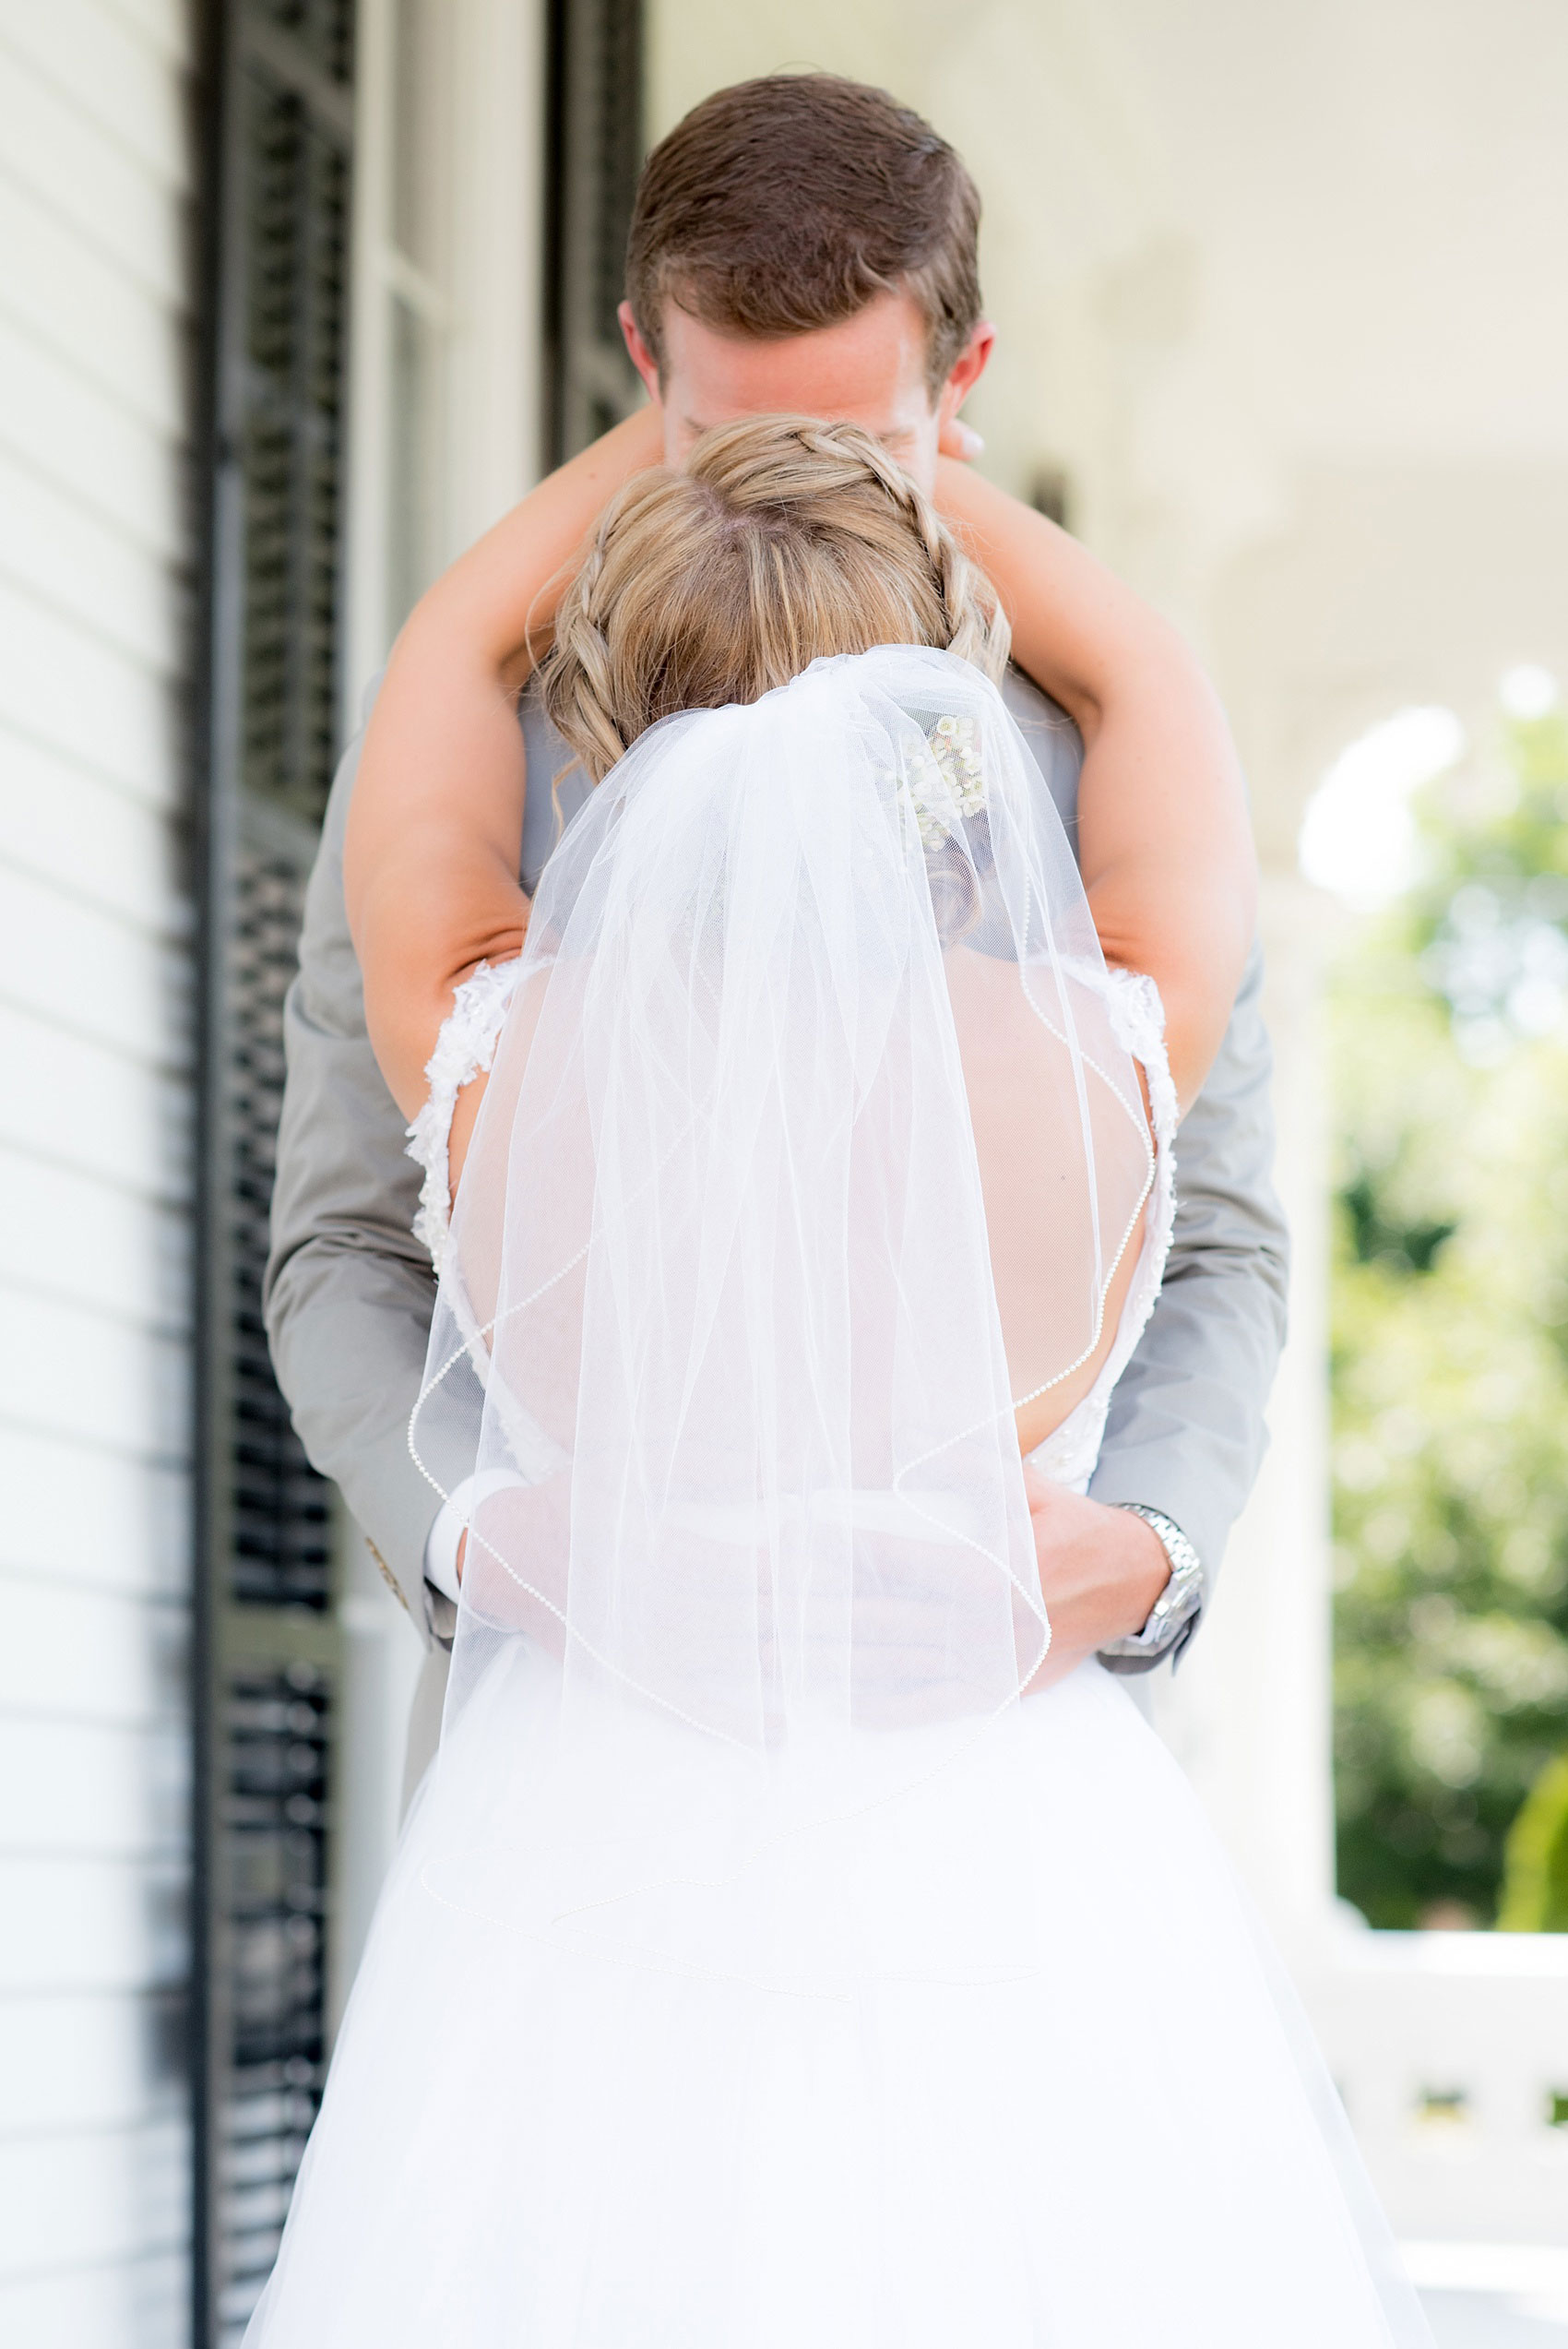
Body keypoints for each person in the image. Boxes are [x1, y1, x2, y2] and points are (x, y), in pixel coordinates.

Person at [244, 411, 1432, 2344]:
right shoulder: (1112, 1046)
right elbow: (1145, 676)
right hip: (1002, 1840)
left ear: (603, 723)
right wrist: (913, 469)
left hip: (593, 1840)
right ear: (939, 703)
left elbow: (438, 669)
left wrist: (671, 435)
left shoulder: (478, 1043)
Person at [264, 75, 1289, 1798]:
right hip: (589, 1745)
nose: (790, 486)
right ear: (639, 357)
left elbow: (1225, 1244)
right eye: (724, 431)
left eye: (852, 439)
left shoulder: (1098, 756)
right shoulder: (461, 749)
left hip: (1007, 1739)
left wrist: (1147, 1549)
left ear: (961, 382)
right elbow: (346, 1247)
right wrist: (499, 1546)